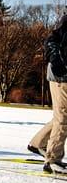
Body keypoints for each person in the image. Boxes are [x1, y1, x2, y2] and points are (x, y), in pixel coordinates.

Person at [28, 13, 67, 174]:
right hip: (62, 76)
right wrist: (57, 61)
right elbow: (51, 41)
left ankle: (38, 143)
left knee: (61, 116)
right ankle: (53, 159)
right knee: (63, 117)